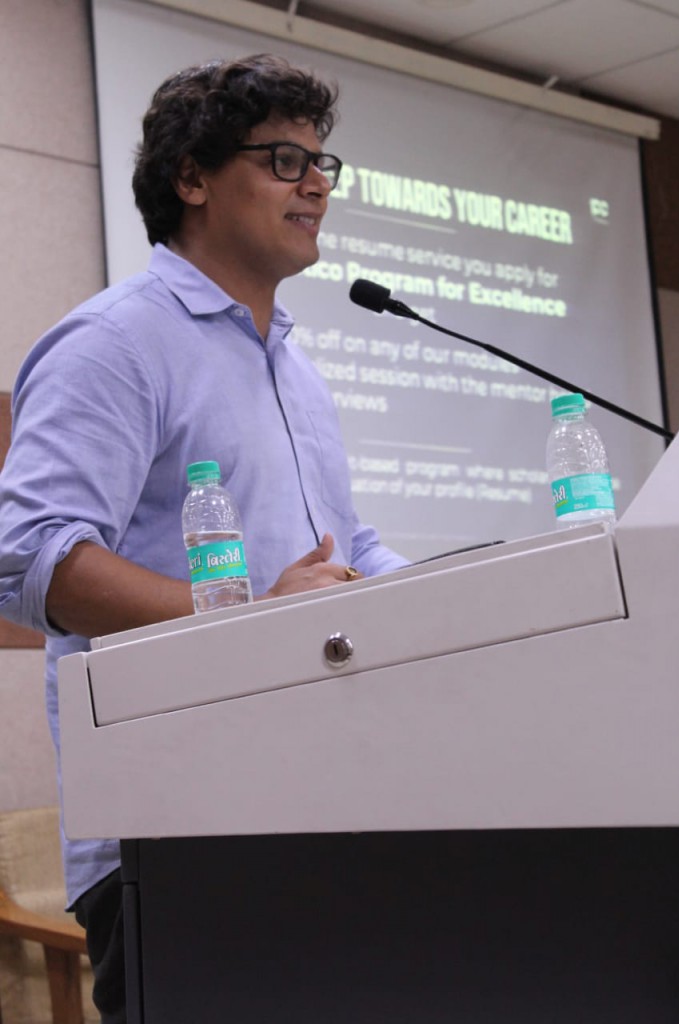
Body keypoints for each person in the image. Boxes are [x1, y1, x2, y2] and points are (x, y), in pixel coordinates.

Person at [0, 54, 407, 1022]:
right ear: (191, 178)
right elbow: (27, 555)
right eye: (281, 159)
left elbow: (340, 549)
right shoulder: (116, 341)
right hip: (175, 839)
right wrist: (250, 620)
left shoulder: (294, 365)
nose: (315, 183)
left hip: (320, 811)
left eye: (322, 164)